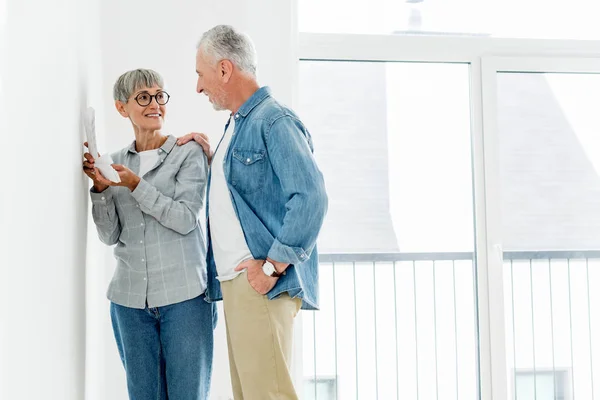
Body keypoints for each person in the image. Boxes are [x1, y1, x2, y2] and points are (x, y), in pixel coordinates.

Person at [178, 25, 328, 399]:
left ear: (225, 70)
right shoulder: (237, 124)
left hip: (261, 283)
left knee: (269, 394)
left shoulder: (273, 120)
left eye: (201, 73)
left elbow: (311, 197)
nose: (198, 86)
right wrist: (214, 161)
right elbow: (250, 190)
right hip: (239, 283)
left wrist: (270, 267)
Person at [82, 68, 215, 400]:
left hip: (185, 299)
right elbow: (110, 235)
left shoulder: (189, 153)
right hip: (129, 304)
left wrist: (135, 185)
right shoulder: (112, 162)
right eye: (143, 97)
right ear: (121, 107)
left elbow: (185, 218)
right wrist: (100, 189)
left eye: (159, 95)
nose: (154, 104)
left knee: (188, 395)